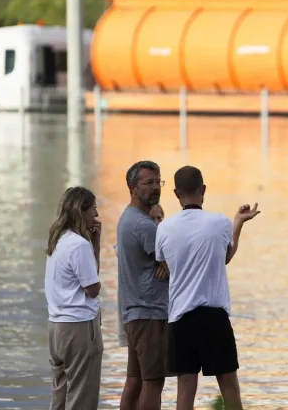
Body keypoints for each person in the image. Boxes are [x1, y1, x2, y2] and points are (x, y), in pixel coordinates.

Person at [155, 165, 260, 410]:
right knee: (229, 385)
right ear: (203, 190)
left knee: (185, 388)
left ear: (176, 193)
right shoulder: (220, 222)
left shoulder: (164, 228)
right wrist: (238, 222)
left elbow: (166, 264)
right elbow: (226, 257)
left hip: (181, 317)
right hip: (214, 316)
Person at [117, 161, 170, 410]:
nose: (155, 187)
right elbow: (175, 263)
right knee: (153, 381)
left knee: (135, 381)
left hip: (134, 313)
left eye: (158, 182)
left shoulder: (128, 218)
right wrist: (169, 265)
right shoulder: (144, 225)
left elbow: (167, 261)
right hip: (150, 314)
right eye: (148, 182)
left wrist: (167, 264)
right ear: (133, 188)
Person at [44, 186, 104, 410]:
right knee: (82, 398)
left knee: (60, 396)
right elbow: (92, 288)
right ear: (81, 211)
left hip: (56, 327)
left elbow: (86, 276)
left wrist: (95, 244)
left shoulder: (58, 240)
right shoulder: (79, 245)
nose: (96, 214)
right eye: (93, 209)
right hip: (78, 327)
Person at [116, 204, 164, 348]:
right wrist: (167, 267)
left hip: (146, 314)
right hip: (144, 315)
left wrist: (165, 265)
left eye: (159, 218)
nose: (156, 223)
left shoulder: (162, 246)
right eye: (152, 219)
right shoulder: (132, 245)